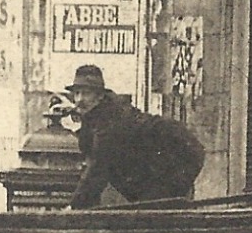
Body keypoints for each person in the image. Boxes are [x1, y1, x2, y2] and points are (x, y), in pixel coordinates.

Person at [62, 64, 205, 210]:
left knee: (153, 211)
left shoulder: (110, 120)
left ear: (99, 96)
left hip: (181, 156)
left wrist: (74, 207)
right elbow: (91, 151)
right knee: (147, 206)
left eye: (86, 93)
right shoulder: (97, 114)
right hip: (159, 164)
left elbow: (98, 169)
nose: (79, 99)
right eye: (77, 93)